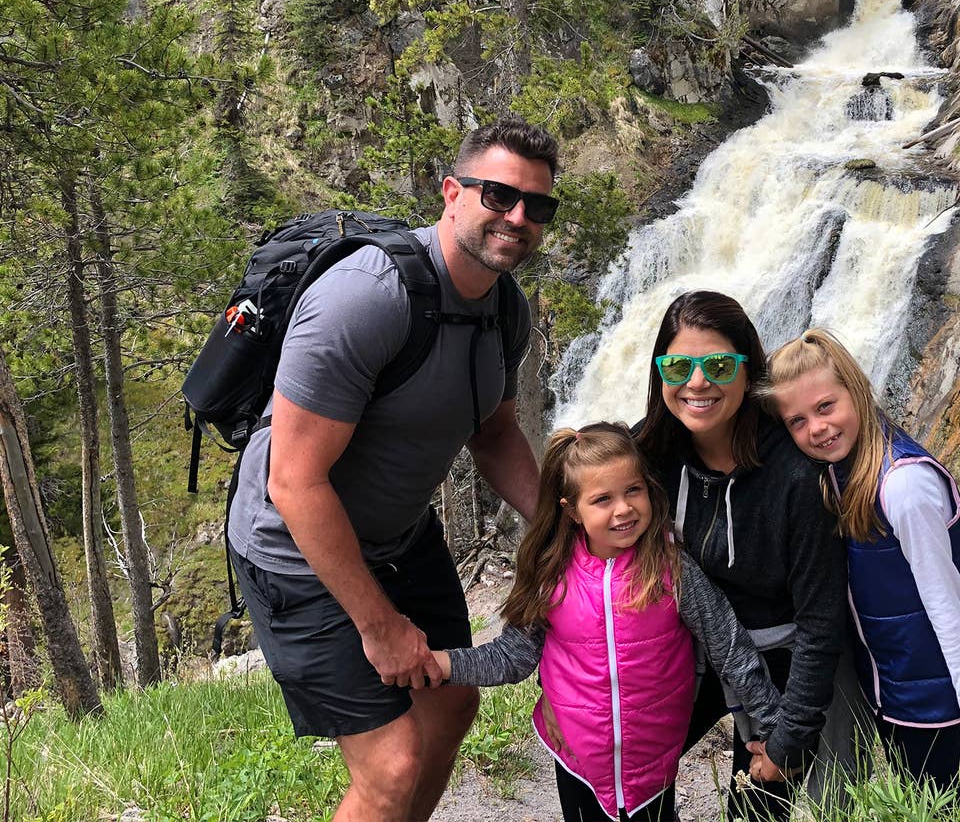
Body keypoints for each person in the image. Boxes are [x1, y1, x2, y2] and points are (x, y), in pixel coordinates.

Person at [225, 117, 560, 822]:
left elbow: (496, 435)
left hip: (400, 535)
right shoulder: (367, 297)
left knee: (449, 709)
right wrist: (378, 626)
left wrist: (566, 527)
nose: (518, 217)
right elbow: (292, 482)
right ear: (451, 192)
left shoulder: (506, 309)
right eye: (499, 195)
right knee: (391, 763)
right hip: (294, 548)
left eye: (538, 206)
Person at [432, 422, 783, 822]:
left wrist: (776, 730)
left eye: (633, 490)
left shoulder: (669, 568)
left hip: (652, 766)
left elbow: (730, 645)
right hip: (576, 760)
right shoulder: (552, 574)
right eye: (602, 499)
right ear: (571, 511)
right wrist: (442, 665)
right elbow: (513, 657)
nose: (623, 509)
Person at [633, 291, 847, 821]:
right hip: (689, 649)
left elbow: (821, 624)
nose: (698, 382)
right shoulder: (647, 458)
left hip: (779, 665)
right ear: (661, 373)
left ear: (748, 373)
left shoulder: (795, 476)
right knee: (626, 778)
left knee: (757, 809)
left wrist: (789, 737)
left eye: (720, 365)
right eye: (679, 364)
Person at [767, 327, 960, 790]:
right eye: (797, 420)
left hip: (940, 708)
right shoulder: (840, 471)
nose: (817, 428)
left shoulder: (903, 486)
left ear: (857, 390)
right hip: (897, 699)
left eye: (826, 406)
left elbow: (947, 606)